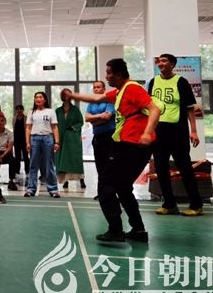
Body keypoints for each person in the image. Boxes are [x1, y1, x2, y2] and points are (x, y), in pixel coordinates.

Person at [68, 58, 160, 243]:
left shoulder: (132, 88)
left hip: (134, 144)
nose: (106, 76)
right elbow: (97, 98)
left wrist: (147, 133)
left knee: (106, 184)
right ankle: (138, 230)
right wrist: (73, 95)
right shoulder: (120, 91)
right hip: (128, 143)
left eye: (109, 73)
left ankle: (116, 230)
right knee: (123, 187)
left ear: (118, 74)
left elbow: (155, 109)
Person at [149, 54, 204, 217]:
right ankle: (169, 204)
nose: (160, 63)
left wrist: (193, 131)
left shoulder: (181, 82)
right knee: (161, 168)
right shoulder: (153, 82)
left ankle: (196, 204)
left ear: (172, 64)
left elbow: (189, 108)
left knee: (184, 168)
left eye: (164, 61)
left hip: (177, 131)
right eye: (159, 61)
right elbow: (149, 106)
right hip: (159, 131)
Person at [25, 92, 61, 198]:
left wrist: (57, 142)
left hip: (47, 139)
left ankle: (53, 189)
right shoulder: (31, 112)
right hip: (34, 139)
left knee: (49, 164)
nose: (38, 99)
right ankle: (31, 189)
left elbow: (55, 127)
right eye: (36, 97)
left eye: (40, 97)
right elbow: (28, 128)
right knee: (33, 165)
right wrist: (27, 142)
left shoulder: (50, 111)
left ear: (45, 99)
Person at [85, 81, 115, 200]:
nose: (96, 89)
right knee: (99, 167)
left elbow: (107, 117)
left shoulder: (109, 101)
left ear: (103, 89)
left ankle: (111, 193)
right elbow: (86, 118)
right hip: (97, 138)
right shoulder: (91, 103)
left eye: (98, 87)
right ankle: (101, 193)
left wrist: (94, 119)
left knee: (109, 167)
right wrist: (99, 117)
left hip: (109, 137)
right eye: (94, 87)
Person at [55, 88, 86, 190]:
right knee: (63, 160)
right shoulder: (58, 111)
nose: (66, 96)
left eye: (67, 94)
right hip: (61, 138)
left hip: (73, 138)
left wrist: (73, 128)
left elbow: (81, 122)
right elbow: (54, 125)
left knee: (76, 160)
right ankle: (65, 180)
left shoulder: (75, 110)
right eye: (64, 94)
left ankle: (81, 179)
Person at [0, 113, 18, 191]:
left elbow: (10, 147)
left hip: (5, 153)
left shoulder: (10, 133)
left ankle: (11, 181)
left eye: (2, 121)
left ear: (5, 123)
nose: (0, 122)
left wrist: (2, 156)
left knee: (13, 160)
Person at [12, 104, 29, 182]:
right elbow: (14, 129)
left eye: (20, 109)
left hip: (24, 140)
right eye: (17, 109)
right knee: (17, 157)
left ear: (23, 110)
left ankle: (27, 172)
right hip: (16, 140)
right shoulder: (14, 119)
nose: (19, 111)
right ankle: (17, 172)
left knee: (26, 157)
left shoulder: (26, 118)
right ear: (16, 111)